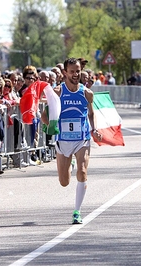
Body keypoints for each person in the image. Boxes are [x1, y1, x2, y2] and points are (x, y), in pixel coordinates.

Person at [42, 57, 102, 224]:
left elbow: (91, 114)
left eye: (78, 71)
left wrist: (94, 129)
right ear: (65, 73)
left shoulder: (86, 93)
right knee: (64, 182)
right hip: (63, 140)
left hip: (82, 138)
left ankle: (77, 211)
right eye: (72, 71)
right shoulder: (57, 92)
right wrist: (50, 126)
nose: (76, 74)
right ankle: (70, 164)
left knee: (82, 172)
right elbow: (44, 116)